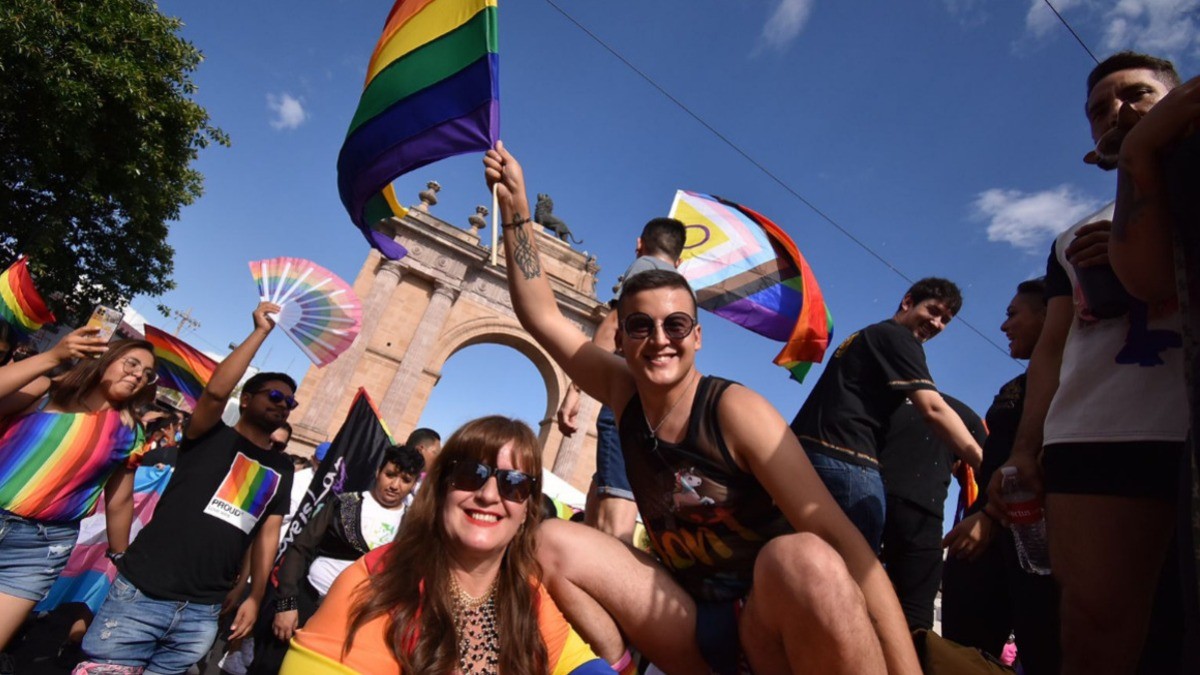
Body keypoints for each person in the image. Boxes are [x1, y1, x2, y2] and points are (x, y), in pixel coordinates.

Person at [485, 142, 920, 674]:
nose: (659, 339)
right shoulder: (624, 393)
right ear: (620, 338)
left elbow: (846, 545)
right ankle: (624, 665)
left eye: (675, 326)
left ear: (698, 337)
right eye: (641, 326)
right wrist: (516, 210)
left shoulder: (735, 410)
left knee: (803, 557)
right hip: (690, 621)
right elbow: (541, 316)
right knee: (551, 539)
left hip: (770, 620)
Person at [987, 52, 1188, 674]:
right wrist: (1025, 450)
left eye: (1137, 95)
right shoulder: (1073, 239)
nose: (1117, 113)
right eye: (1099, 110)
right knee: (1095, 624)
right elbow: (1051, 349)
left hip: (1181, 421)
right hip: (1096, 434)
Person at [280, 416, 620, 674]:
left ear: (527, 508)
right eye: (470, 474)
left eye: (513, 483)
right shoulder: (374, 584)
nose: (488, 495)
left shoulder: (527, 594)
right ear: (440, 489)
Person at [73, 302, 295, 675]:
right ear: (248, 399)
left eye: (290, 402)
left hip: (202, 612)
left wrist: (253, 595)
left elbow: (267, 533)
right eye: (275, 396)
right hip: (142, 593)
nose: (284, 405)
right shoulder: (207, 434)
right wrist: (260, 333)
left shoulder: (281, 467)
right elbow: (214, 395)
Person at [790, 278, 984, 550]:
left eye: (946, 320)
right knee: (855, 569)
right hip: (847, 463)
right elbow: (933, 408)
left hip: (805, 458)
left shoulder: (867, 335)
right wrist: (982, 463)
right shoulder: (898, 337)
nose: (937, 323)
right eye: (933, 311)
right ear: (907, 302)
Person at [0, 328, 156, 656]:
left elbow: (120, 499)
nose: (139, 375)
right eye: (131, 364)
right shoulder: (48, 391)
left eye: (146, 374)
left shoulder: (130, 432)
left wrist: (120, 556)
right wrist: (52, 357)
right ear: (106, 360)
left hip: (37, 550)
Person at [941, 278, 1060, 673]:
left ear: (1052, 313)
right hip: (983, 527)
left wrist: (992, 517)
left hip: (1028, 533)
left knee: (1043, 644)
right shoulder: (1015, 385)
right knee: (964, 652)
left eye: (1013, 314)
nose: (1004, 326)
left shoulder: (1073, 380)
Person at [558, 217, 686, 544]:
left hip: (626, 402)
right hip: (658, 410)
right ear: (680, 258)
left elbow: (613, 327)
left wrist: (576, 390)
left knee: (616, 519)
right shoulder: (681, 294)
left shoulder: (643, 268)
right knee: (603, 491)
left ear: (639, 244)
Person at [246, 444, 424, 675]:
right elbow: (300, 549)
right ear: (378, 471)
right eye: (390, 475)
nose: (395, 485)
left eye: (405, 480)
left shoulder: (411, 526)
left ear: (412, 484)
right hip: (306, 606)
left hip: (360, 624)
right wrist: (287, 604)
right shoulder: (344, 503)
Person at [877, 393, 986, 631]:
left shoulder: (888, 400)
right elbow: (991, 473)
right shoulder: (965, 416)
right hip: (921, 517)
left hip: (870, 501)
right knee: (915, 616)